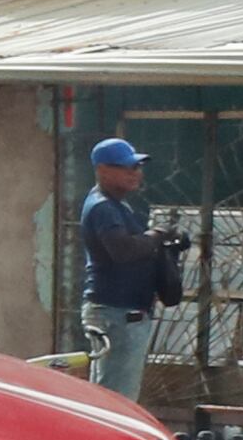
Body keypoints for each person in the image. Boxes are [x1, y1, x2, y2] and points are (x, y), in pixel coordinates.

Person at [78, 135, 181, 398]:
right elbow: (123, 251)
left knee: (110, 394)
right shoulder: (103, 207)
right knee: (116, 398)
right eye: (126, 167)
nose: (135, 173)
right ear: (102, 170)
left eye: (136, 167)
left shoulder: (116, 205)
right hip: (117, 315)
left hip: (123, 313)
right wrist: (157, 235)